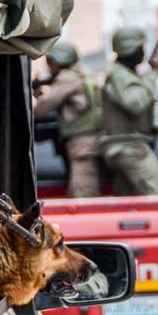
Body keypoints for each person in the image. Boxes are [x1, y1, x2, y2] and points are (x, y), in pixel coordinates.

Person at [98, 26, 158, 196]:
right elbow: (135, 103)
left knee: (130, 203)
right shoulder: (119, 75)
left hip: (126, 146)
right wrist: (153, 75)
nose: (143, 52)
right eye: (140, 48)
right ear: (130, 49)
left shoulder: (124, 73)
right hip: (130, 148)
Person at [33, 40, 102, 198]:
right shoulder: (82, 73)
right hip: (89, 141)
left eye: (50, 61)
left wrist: (37, 98)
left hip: (83, 145)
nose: (49, 66)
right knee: (76, 191)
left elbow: (41, 110)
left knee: (83, 193)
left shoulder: (67, 78)